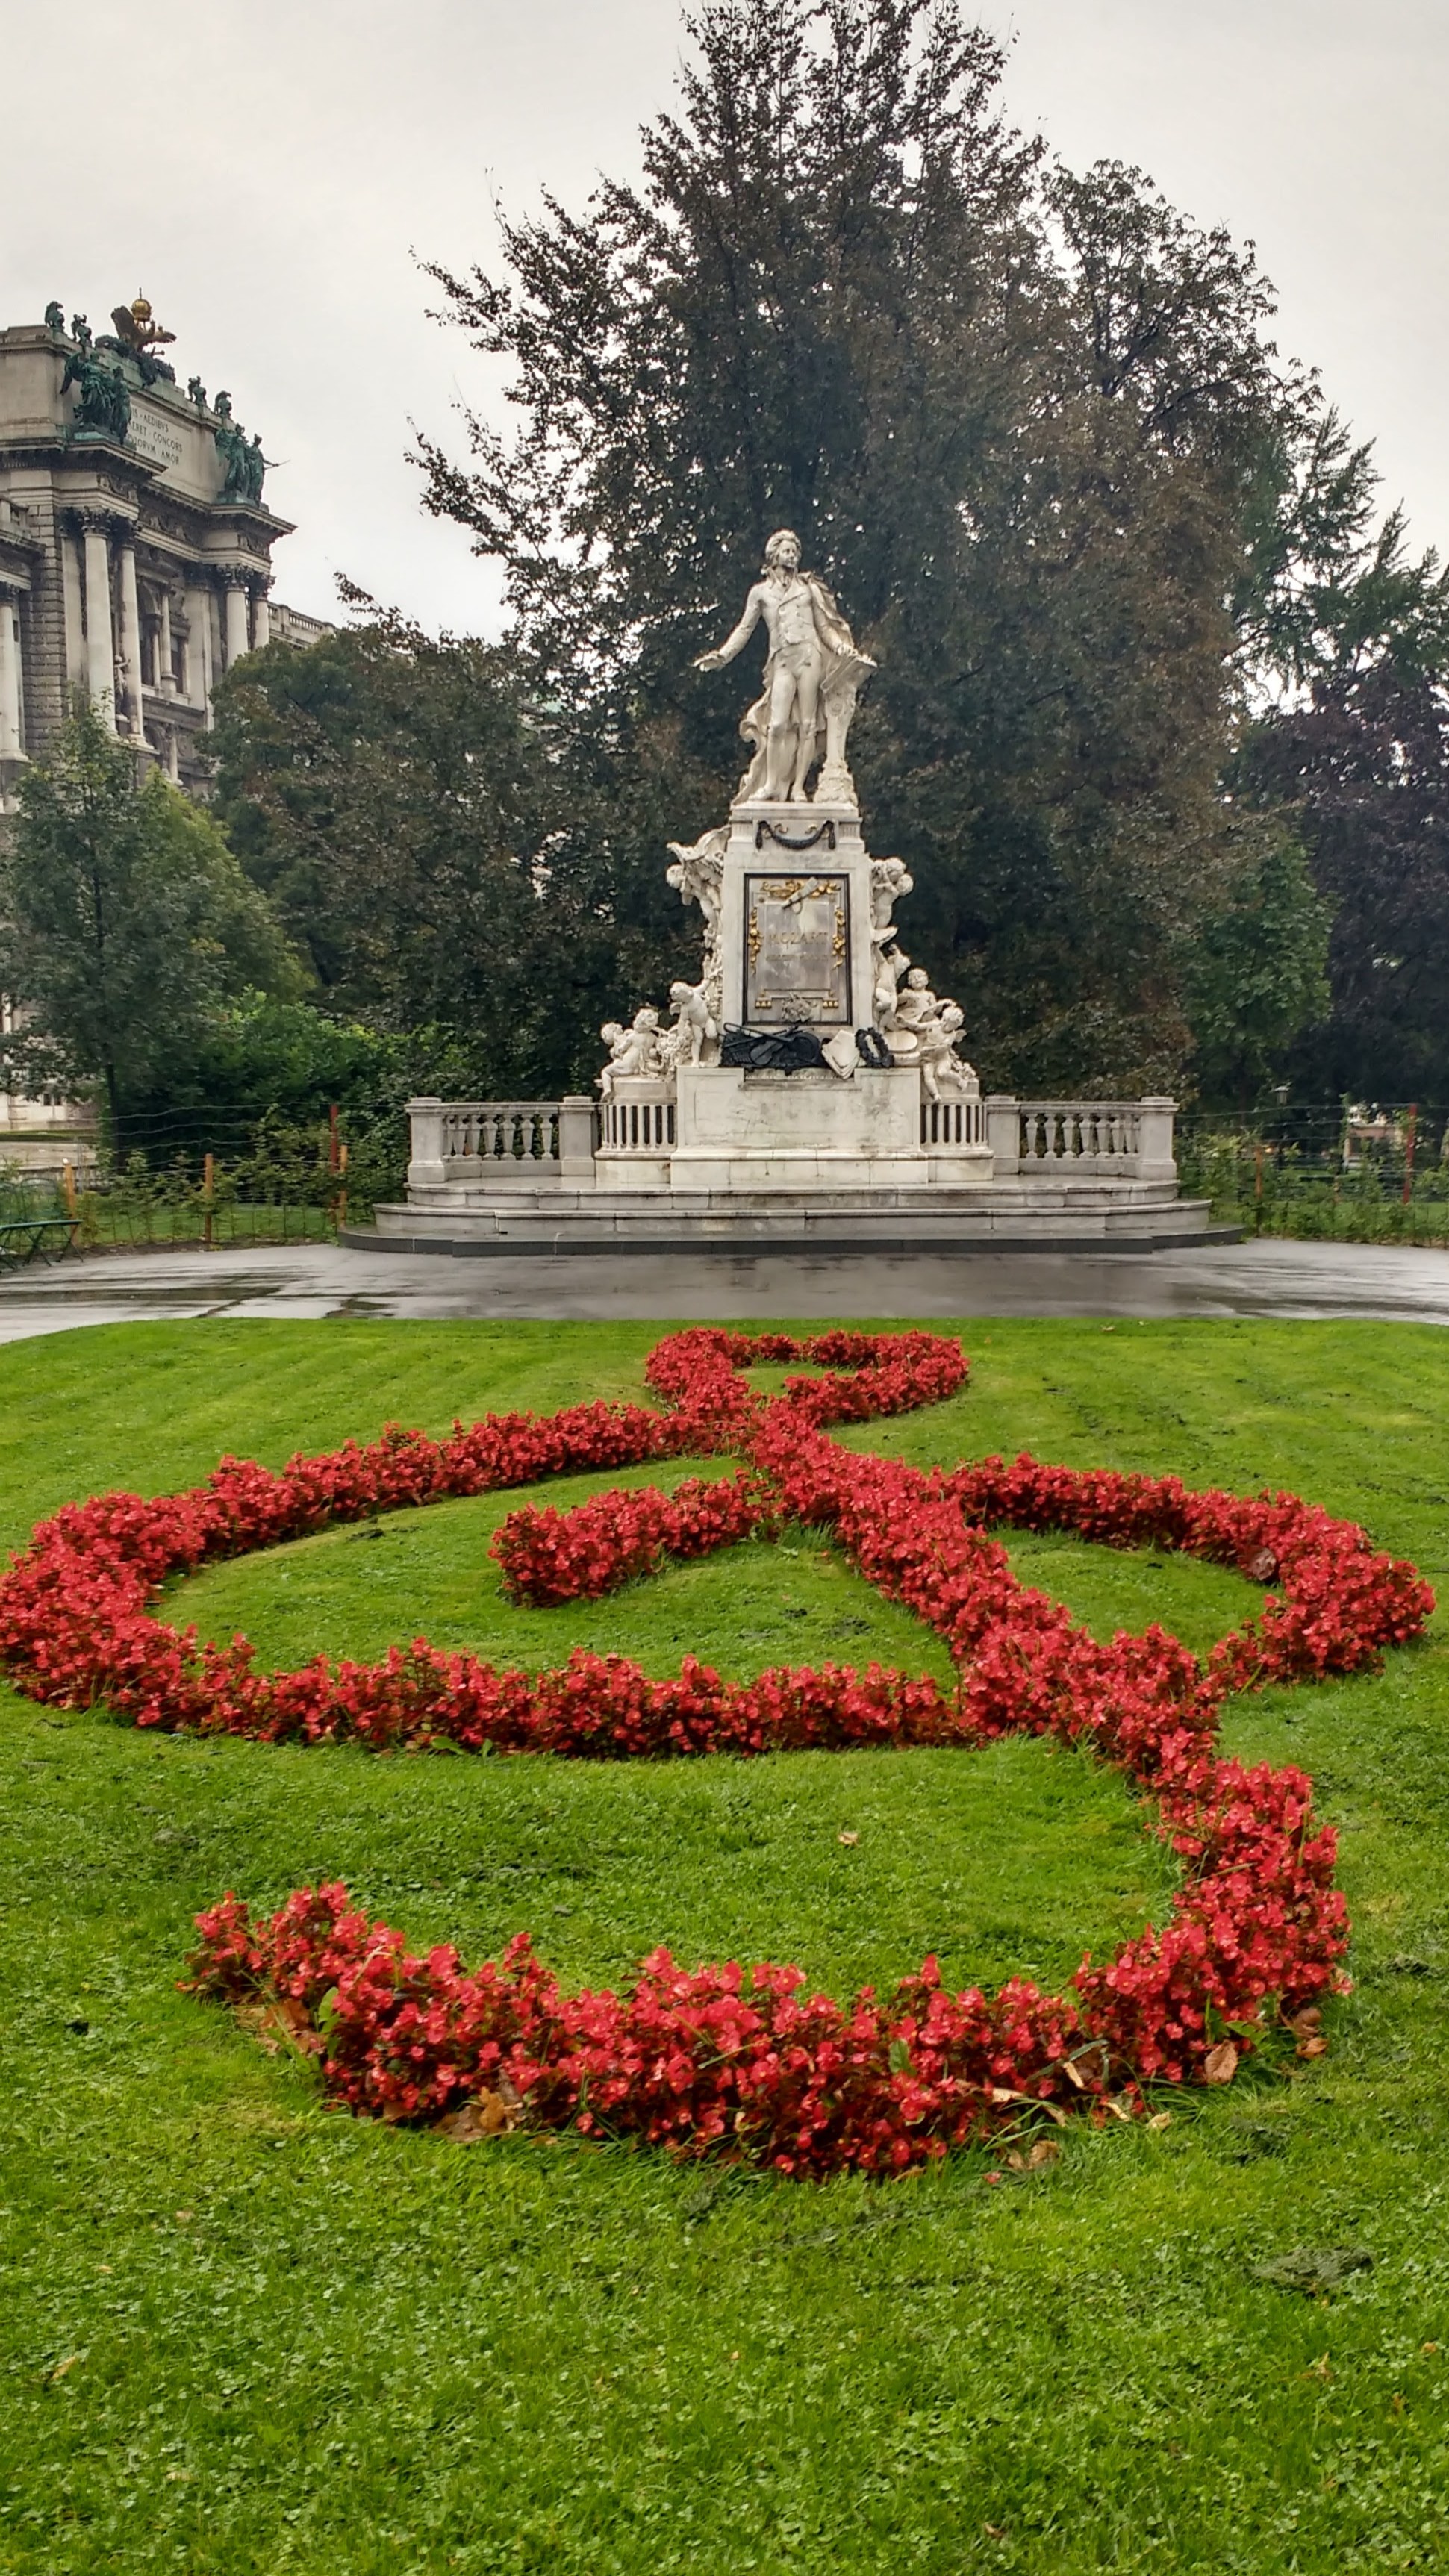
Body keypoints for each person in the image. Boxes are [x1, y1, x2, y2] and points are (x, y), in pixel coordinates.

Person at [695, 529, 874, 804]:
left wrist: (841, 647)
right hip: (782, 661)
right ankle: (771, 785)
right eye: (787, 551)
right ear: (774, 554)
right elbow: (744, 628)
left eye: (795, 552)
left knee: (807, 725)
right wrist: (723, 655)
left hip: (809, 657)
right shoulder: (760, 593)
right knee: (776, 725)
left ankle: (798, 787)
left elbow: (824, 627)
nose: (792, 556)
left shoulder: (808, 589)